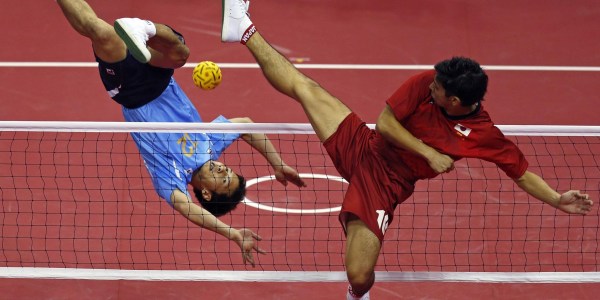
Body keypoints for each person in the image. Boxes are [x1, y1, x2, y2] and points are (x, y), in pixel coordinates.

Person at [219, 0, 594, 299]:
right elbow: (384, 123)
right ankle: (244, 26)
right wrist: (428, 153)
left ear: (457, 101)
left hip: (384, 183)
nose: (431, 87)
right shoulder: (429, 81)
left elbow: (521, 172)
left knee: (360, 274)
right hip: (365, 145)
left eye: (439, 91)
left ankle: (356, 294)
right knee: (306, 88)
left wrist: (557, 199)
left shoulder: (482, 133)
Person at [56, 0, 306, 267]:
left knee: (101, 32)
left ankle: (133, 30)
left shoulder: (171, 177)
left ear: (207, 194)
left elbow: (188, 210)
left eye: (222, 180)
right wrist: (277, 164)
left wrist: (232, 234)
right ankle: (141, 29)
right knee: (181, 52)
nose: (223, 171)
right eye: (228, 172)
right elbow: (245, 124)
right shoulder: (210, 145)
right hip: (161, 77)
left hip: (131, 91)